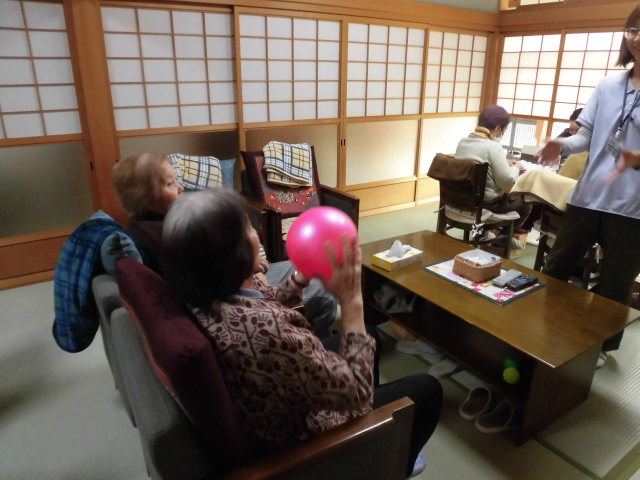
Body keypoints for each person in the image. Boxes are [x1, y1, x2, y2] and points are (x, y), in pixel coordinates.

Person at [161, 188, 443, 477]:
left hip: (274, 392)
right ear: (235, 253)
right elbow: (358, 394)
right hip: (310, 438)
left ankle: (381, 431)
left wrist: (299, 279)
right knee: (427, 389)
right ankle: (389, 459)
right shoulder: (270, 334)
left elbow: (262, 301)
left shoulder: (205, 293)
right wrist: (352, 302)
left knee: (369, 333)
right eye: (249, 227)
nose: (256, 232)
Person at [111, 152, 336, 340]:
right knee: (324, 286)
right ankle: (319, 342)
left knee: (303, 266)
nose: (180, 188)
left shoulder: (142, 225)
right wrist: (251, 267)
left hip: (240, 280)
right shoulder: (177, 234)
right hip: (241, 295)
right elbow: (216, 280)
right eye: (170, 184)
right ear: (146, 197)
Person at [537, 3, 640, 368]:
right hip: (588, 196)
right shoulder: (609, 85)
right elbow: (587, 135)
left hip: (632, 207)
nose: (638, 37)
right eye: (634, 29)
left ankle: (601, 345)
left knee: (614, 284)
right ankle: (539, 327)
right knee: (556, 267)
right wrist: (561, 144)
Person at [454, 104, 532, 249]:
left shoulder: (463, 142)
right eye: (503, 130)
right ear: (497, 128)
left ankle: (483, 233)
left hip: (460, 199)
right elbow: (506, 181)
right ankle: (504, 238)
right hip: (486, 204)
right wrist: (516, 167)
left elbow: (481, 161)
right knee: (526, 203)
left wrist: (504, 163)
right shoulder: (493, 147)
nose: (501, 134)